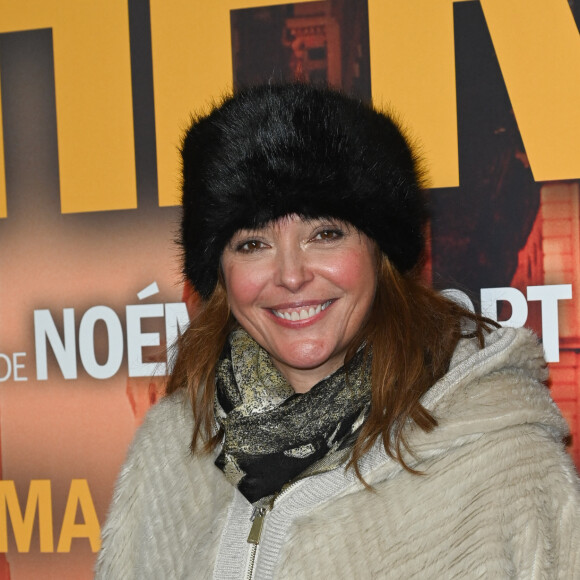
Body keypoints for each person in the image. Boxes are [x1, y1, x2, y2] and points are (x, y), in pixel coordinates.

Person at [95, 83, 580, 579]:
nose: (290, 274)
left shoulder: (506, 463)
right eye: (252, 244)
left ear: (381, 252)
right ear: (219, 275)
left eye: (324, 234)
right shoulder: (174, 445)